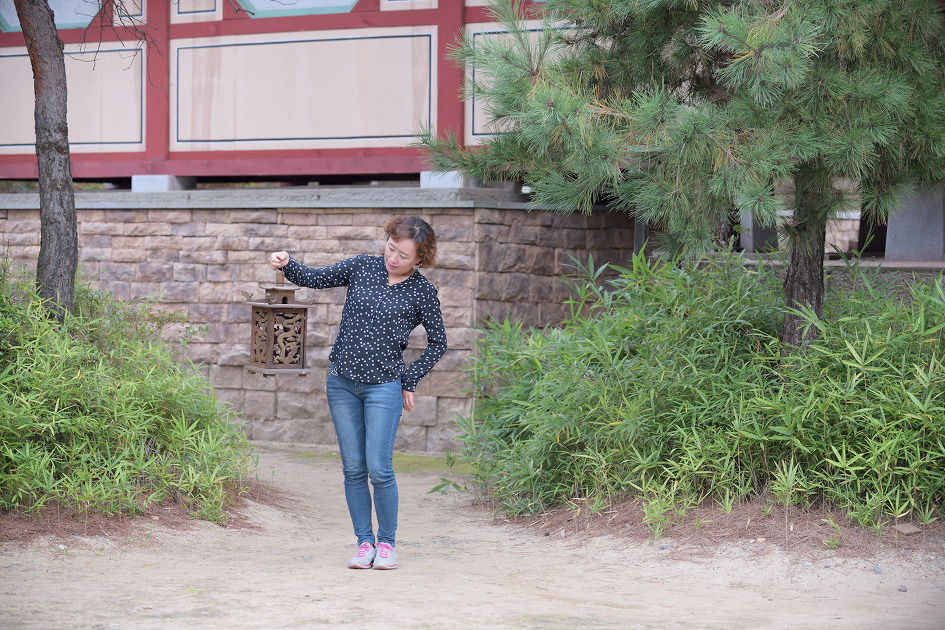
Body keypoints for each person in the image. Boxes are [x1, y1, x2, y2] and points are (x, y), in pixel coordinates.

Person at [269, 215, 447, 570]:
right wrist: (288, 264)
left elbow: (438, 343)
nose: (393, 258)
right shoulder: (362, 267)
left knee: (379, 469)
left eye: (403, 255)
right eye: (390, 248)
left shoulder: (422, 292)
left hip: (384, 387)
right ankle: (364, 543)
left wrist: (409, 380)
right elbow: (316, 278)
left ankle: (387, 545)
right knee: (353, 469)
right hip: (341, 384)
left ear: (420, 258)